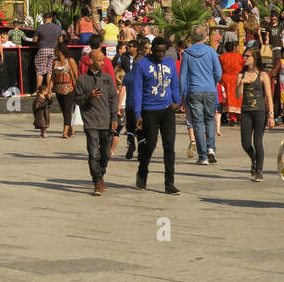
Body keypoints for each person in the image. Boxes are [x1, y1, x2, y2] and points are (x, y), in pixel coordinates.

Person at [128, 37, 182, 194]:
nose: (160, 54)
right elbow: (137, 90)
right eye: (157, 51)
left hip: (167, 109)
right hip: (149, 109)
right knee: (150, 145)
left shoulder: (170, 64)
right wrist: (137, 113)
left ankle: (169, 183)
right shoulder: (142, 65)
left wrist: (177, 101)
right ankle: (142, 171)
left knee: (169, 146)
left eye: (163, 51)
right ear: (151, 50)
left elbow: (175, 85)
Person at [71, 46, 118, 195]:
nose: (103, 63)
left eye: (103, 60)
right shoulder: (82, 80)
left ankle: (100, 174)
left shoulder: (107, 79)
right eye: (99, 60)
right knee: (93, 154)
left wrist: (114, 118)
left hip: (106, 121)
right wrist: (89, 96)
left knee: (105, 154)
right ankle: (97, 182)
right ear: (90, 61)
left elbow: (113, 99)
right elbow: (77, 100)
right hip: (91, 121)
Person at [179, 23, 223, 166]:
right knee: (210, 118)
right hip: (210, 89)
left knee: (197, 122)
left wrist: (182, 96)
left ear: (193, 36)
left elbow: (183, 77)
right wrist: (212, 81)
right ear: (205, 36)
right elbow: (218, 72)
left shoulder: (187, 53)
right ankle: (211, 148)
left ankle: (203, 155)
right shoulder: (211, 52)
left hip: (194, 90)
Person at [237, 47, 275, 181]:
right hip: (246, 111)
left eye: (248, 56)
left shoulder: (263, 75)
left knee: (258, 142)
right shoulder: (241, 74)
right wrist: (242, 83)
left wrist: (271, 115)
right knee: (245, 143)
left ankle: (259, 170)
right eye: (244, 56)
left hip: (260, 111)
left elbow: (269, 97)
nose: (245, 58)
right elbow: (238, 95)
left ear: (255, 58)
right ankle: (253, 158)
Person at [50, 41, 78, 138]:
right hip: (58, 90)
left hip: (69, 89)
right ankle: (70, 128)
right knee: (63, 110)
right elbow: (52, 77)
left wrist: (78, 88)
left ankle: (65, 132)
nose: (54, 52)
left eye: (56, 50)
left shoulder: (70, 61)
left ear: (60, 51)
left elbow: (76, 74)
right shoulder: (54, 62)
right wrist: (49, 90)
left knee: (67, 110)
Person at [34, 12, 63, 91]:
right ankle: (48, 90)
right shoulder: (58, 28)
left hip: (42, 49)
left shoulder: (40, 27)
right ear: (51, 18)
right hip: (54, 50)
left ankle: (39, 91)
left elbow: (35, 40)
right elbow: (61, 41)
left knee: (40, 71)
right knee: (50, 71)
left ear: (44, 19)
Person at [218, 39, 244, 125]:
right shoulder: (239, 56)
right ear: (234, 48)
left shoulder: (221, 57)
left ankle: (232, 117)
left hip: (225, 79)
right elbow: (244, 66)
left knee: (228, 99)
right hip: (237, 78)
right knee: (238, 98)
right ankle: (238, 117)